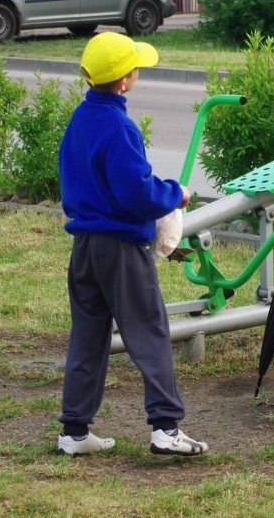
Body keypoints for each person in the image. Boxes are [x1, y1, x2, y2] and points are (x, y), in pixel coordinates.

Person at [56, 31, 208, 457]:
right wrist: (174, 194)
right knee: (150, 331)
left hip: (84, 245)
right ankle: (165, 427)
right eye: (135, 67)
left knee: (88, 336)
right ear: (124, 80)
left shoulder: (81, 118)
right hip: (120, 248)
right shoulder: (120, 126)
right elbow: (135, 194)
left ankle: (74, 429)